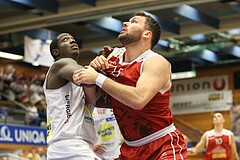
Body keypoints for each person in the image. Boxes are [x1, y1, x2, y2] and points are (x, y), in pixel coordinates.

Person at [73, 12, 188, 159]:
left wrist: (97, 78)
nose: (125, 23)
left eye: (134, 22)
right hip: (130, 148)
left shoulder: (155, 62)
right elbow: (94, 99)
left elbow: (138, 100)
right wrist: (90, 79)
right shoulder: (112, 56)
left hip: (161, 144)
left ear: (147, 34)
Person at [43, 33, 101, 160]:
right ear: (56, 52)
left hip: (70, 146)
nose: (72, 41)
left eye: (73, 39)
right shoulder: (60, 64)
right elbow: (84, 76)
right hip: (70, 145)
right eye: (66, 40)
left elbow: (93, 94)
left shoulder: (79, 81)